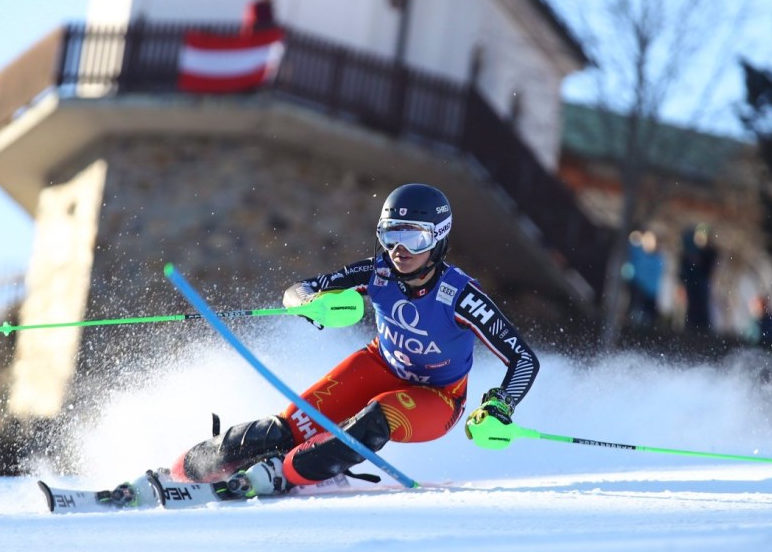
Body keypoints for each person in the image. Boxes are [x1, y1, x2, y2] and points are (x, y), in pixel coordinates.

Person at [169, 183, 540, 496]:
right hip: (379, 366)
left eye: (414, 237)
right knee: (287, 428)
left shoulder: (461, 296)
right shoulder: (377, 272)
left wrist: (500, 405)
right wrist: (310, 304)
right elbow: (299, 289)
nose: (400, 249)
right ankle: (187, 469)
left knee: (378, 415)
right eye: (391, 234)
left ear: (439, 238)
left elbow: (523, 358)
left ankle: (291, 473)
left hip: (438, 397)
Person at [678, 224, 717, 332]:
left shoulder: (710, 252)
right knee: (690, 310)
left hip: (702, 285)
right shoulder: (688, 253)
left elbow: (709, 269)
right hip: (691, 286)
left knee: (702, 309)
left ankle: (703, 331)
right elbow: (683, 272)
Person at [625, 230, 663, 326]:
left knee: (649, 316)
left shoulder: (658, 259)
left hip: (651, 292)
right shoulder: (638, 255)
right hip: (639, 289)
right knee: (635, 312)